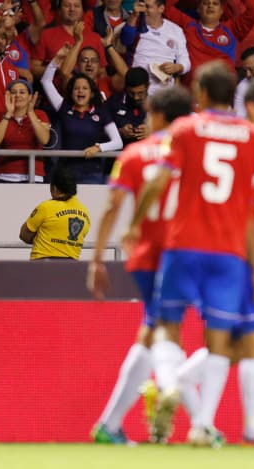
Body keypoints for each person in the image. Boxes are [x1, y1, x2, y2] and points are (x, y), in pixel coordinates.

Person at [127, 61, 254, 447]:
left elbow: (161, 180)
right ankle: (202, 424)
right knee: (219, 341)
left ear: (199, 92)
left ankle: (167, 384)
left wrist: (135, 223)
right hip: (231, 252)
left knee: (165, 325)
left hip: (183, 245)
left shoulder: (185, 129)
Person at [87, 86, 193, 444]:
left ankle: (111, 425)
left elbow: (112, 205)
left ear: (159, 115)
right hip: (184, 254)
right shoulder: (194, 153)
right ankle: (187, 408)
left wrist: (97, 257)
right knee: (171, 334)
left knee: (151, 333)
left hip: (145, 254)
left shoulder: (134, 154)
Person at [20, 166, 91, 260]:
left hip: (42, 265)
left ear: (55, 188)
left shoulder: (46, 207)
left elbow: (24, 235)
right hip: (72, 267)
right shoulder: (84, 212)